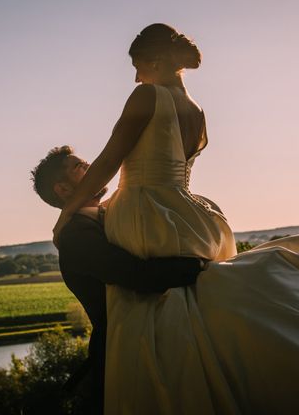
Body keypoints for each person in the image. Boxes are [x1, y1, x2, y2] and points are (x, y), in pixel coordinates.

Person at [48, 24, 299, 414]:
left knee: (153, 319)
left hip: (146, 210)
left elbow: (107, 162)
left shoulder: (146, 97)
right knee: (193, 310)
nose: (136, 78)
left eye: (138, 67)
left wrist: (67, 213)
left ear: (154, 61)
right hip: (189, 212)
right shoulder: (198, 111)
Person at [31, 146, 205, 413]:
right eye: (81, 167)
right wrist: (202, 265)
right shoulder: (76, 236)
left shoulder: (113, 213)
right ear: (63, 190)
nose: (93, 169)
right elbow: (139, 275)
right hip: (127, 357)